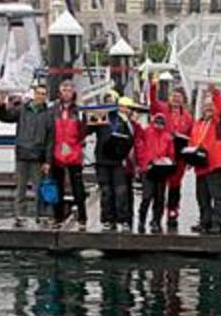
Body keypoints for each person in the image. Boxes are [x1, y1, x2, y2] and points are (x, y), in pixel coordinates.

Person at [0, 84, 54, 227]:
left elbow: (50, 140)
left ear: (45, 97)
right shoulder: (22, 110)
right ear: (33, 94)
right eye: (38, 93)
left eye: (43, 94)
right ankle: (20, 216)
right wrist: (1, 102)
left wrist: (48, 161)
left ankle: (41, 215)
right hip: (22, 155)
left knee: (39, 189)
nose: (40, 96)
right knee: (20, 189)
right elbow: (5, 117)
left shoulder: (49, 115)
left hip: (38, 156)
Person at [148, 79, 194, 231]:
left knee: (175, 186)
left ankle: (172, 213)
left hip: (179, 157)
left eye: (179, 97)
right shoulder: (162, 110)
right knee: (160, 188)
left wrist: (190, 159)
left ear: (183, 100)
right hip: (163, 155)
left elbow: (192, 138)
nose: (176, 99)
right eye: (173, 96)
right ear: (169, 97)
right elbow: (153, 102)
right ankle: (156, 218)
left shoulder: (188, 117)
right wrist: (153, 85)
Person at [189, 85, 221, 235]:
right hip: (200, 165)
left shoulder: (218, 122)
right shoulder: (198, 123)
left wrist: (215, 93)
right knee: (202, 197)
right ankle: (204, 222)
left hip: (215, 164)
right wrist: (189, 158)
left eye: (210, 106)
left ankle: (217, 223)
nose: (208, 108)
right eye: (205, 106)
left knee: (217, 196)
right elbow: (193, 142)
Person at [49, 80, 90, 229]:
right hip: (56, 152)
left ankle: (83, 218)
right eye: (64, 89)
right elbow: (49, 129)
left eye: (69, 89)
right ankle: (57, 218)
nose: (66, 92)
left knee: (78, 187)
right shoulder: (53, 109)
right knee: (57, 187)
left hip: (74, 152)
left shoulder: (79, 111)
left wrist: (75, 143)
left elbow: (85, 130)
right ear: (60, 91)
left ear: (73, 92)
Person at [95, 96, 137, 232]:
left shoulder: (123, 119)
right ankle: (107, 219)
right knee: (106, 191)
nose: (110, 106)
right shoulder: (100, 118)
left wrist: (125, 153)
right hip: (102, 160)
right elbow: (86, 131)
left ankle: (123, 219)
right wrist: (89, 117)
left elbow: (131, 138)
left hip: (118, 160)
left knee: (121, 191)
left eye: (112, 103)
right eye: (107, 103)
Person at [135, 112, 174, 234]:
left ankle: (156, 221)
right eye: (157, 121)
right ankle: (141, 220)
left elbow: (171, 154)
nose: (159, 124)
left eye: (162, 122)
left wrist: (169, 163)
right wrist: (142, 164)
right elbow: (138, 144)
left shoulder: (168, 137)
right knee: (146, 197)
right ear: (153, 121)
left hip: (161, 170)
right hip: (148, 169)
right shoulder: (146, 132)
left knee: (160, 198)